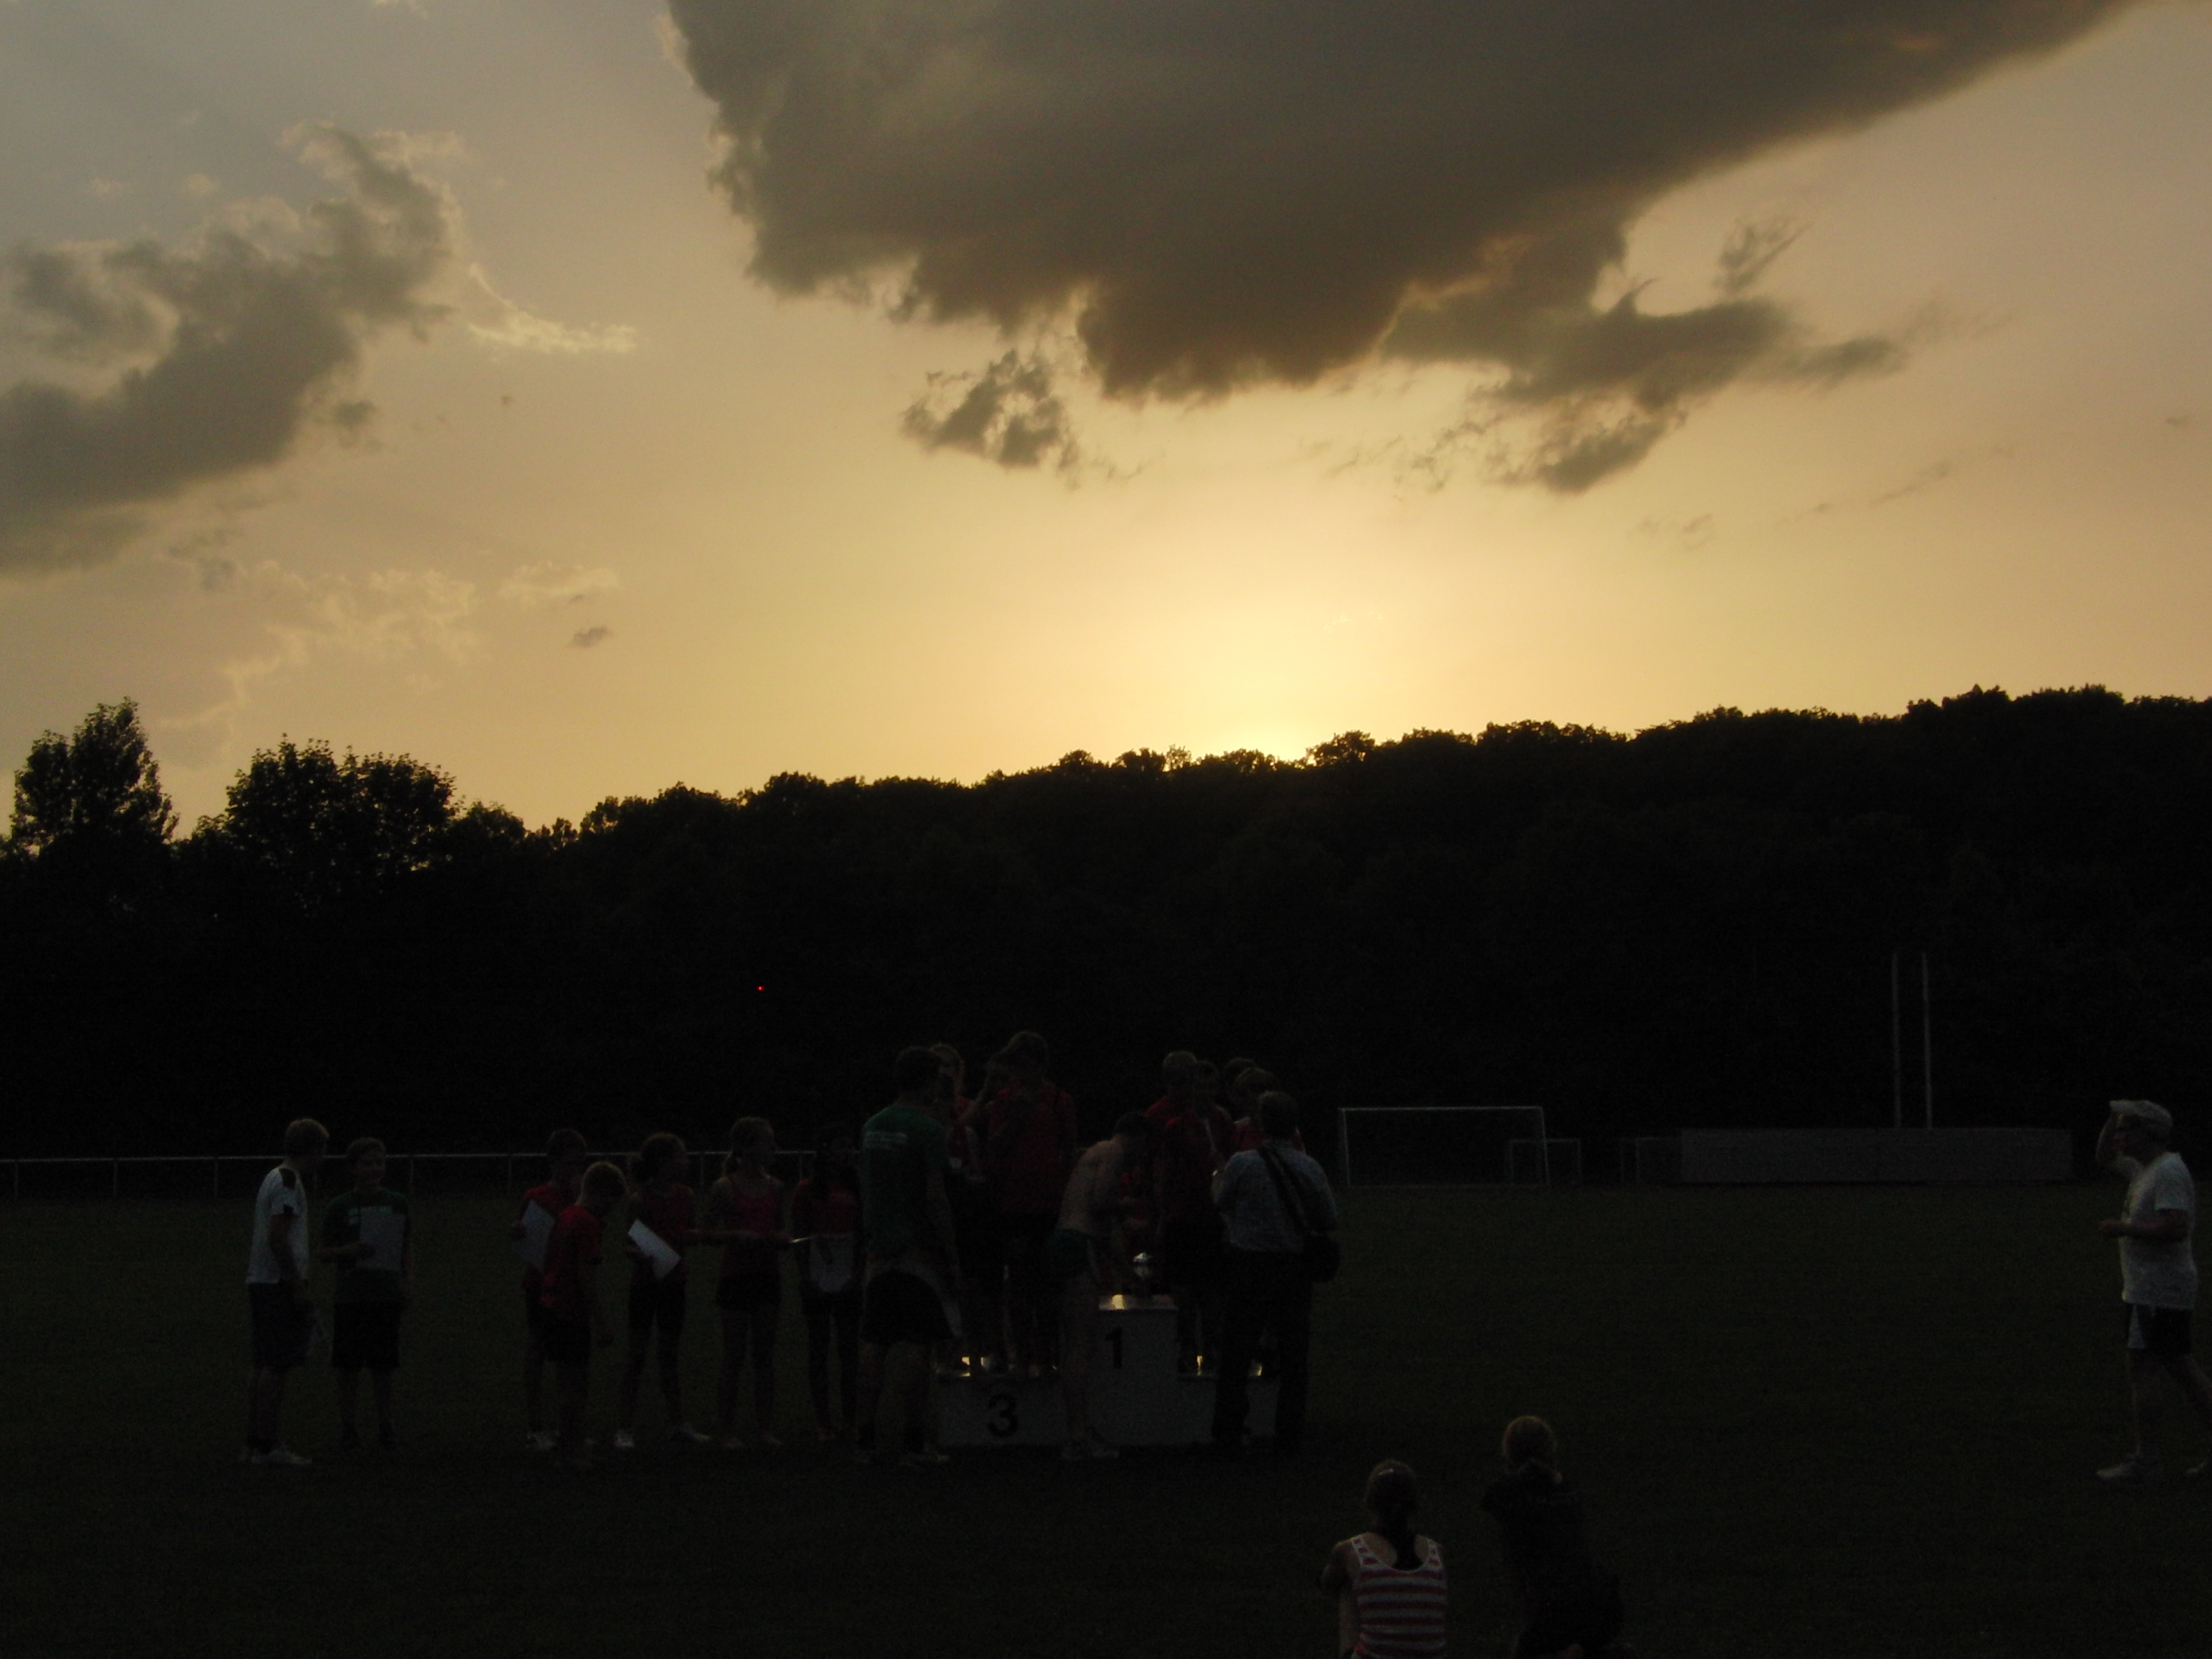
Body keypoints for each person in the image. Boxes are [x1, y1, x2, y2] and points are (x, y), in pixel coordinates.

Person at [1210, 1090, 1336, 1457]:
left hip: (1249, 1265)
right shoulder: (1309, 1167)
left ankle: (1229, 1431)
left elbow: (1221, 1202)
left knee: (1237, 1352)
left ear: (1262, 1124)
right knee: (1293, 1355)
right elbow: (1329, 1218)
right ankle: (1289, 1435)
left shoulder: (1243, 1164)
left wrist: (1217, 1177)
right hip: (1293, 1268)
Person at [2093, 1099, 2212, 1482]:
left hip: (2157, 1290)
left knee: (2146, 1369)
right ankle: (2148, 1460)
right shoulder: (2146, 1169)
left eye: (2127, 1129)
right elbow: (2103, 1157)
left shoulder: (2167, 1172)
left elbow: (2176, 1227)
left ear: (2151, 1133)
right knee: (2181, 1368)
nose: (2119, 1137)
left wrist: (2123, 1229)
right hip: (2152, 1288)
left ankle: (2148, 1461)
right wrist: (2113, 1117)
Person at [855, 1045, 962, 1467]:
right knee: (918, 1343)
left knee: (875, 1343)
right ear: (928, 1082)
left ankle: (865, 1440)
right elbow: (935, 1197)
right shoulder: (927, 1129)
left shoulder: (873, 1126)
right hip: (917, 1250)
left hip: (878, 1250)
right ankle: (913, 1443)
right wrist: (951, 1254)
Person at [1479, 1416, 1629, 1659]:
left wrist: (1529, 1615)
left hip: (1557, 1606)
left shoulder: (1506, 1495)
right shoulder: (1570, 1491)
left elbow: (1514, 1563)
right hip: (1605, 1602)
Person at [1052, 1112, 1155, 1460]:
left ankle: (1081, 1430)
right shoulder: (1113, 1151)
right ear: (1137, 1138)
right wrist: (1126, 1207)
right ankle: (1078, 1436)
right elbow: (1100, 1204)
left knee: (1079, 1342)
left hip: (1072, 1244)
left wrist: (1130, 1277)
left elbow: (1103, 1233)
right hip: (1076, 1246)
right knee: (1080, 1345)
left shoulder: (1096, 1153)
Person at [983, 1031, 1077, 1378]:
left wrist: (1066, 1196)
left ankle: (1047, 1355)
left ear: (1038, 1064)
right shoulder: (1006, 1100)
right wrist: (1016, 1117)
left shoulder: (1059, 1100)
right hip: (1014, 1206)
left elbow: (1069, 1150)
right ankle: (1022, 1356)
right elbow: (995, 1147)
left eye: (1023, 1065)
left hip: (1048, 1206)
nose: (1019, 1073)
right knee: (1019, 1283)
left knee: (1047, 1285)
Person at [243, 1118, 329, 1467]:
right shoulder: (288, 1182)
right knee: (276, 1366)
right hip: (277, 1284)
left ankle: (255, 1443)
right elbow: (278, 1236)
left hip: (262, 1281)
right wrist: (297, 1285)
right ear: (313, 1149)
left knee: (263, 1364)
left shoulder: (273, 1176)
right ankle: (268, 1446)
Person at [318, 1136, 412, 1450]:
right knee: (348, 1366)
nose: (375, 1169)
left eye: (380, 1162)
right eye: (368, 1163)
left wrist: (406, 1282)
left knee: (383, 1366)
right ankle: (349, 1427)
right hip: (351, 1296)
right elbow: (323, 1252)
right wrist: (349, 1251)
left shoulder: (397, 1202)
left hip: (385, 1295)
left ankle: (386, 1425)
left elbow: (405, 1246)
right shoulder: (340, 1206)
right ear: (353, 1167)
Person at [616, 1132, 708, 1449]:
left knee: (669, 1355)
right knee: (637, 1356)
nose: (686, 1161)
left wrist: (694, 1236)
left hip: (674, 1282)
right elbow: (629, 1243)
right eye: (681, 1155)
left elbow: (688, 1231)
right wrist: (639, 1254)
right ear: (664, 1161)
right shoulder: (640, 1200)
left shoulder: (686, 1196)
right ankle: (624, 1428)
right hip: (646, 1286)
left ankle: (678, 1423)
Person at [1145, 1050, 1234, 1372]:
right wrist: (1161, 1215)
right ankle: (1186, 1346)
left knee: (1213, 1289)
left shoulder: (1222, 1121)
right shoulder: (1174, 1125)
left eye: (1210, 1087)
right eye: (1198, 1086)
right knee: (1183, 1288)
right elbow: (1164, 1174)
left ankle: (1213, 1347)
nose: (1204, 1093)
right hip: (1183, 1215)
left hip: (1214, 1216)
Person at [703, 1116, 787, 1450]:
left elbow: (778, 1228)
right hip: (736, 1277)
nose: (774, 1147)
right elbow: (705, 1233)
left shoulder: (776, 1187)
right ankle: (727, 1429)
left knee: (765, 1358)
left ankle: (764, 1428)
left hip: (767, 1276)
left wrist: (780, 1239)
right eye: (768, 1141)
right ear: (747, 1147)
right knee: (734, 1357)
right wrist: (734, 1235)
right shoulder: (725, 1187)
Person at [540, 1160, 629, 1470]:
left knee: (568, 1383)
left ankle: (572, 1444)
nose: (610, 1211)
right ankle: (571, 1452)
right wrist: (600, 1321)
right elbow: (585, 1276)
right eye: (611, 1203)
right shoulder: (588, 1223)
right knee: (576, 1386)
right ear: (601, 1194)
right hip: (570, 1312)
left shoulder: (567, 1215)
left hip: (553, 1306)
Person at [1321, 1460, 1448, 1659]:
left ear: (1370, 1503)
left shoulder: (1350, 1551)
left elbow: (1327, 1584)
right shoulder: (1436, 1553)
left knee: (1347, 1586)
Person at [512, 1128, 589, 1452]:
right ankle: (535, 1427)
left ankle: (565, 1426)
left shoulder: (582, 1196)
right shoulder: (537, 1196)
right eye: (568, 1163)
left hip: (571, 1286)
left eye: (578, 1164)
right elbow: (522, 1233)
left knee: (568, 1361)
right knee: (537, 1352)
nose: (574, 1170)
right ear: (553, 1162)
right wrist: (517, 1232)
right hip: (541, 1284)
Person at [792, 1120, 864, 1443]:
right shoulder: (807, 1189)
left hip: (848, 1275)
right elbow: (801, 1236)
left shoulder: (857, 1186)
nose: (847, 1152)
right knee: (819, 1351)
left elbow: (863, 1235)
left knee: (849, 1352)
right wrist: (806, 1276)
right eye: (840, 1146)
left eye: (849, 1146)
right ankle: (824, 1422)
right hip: (819, 1276)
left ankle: (850, 1420)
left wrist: (858, 1274)